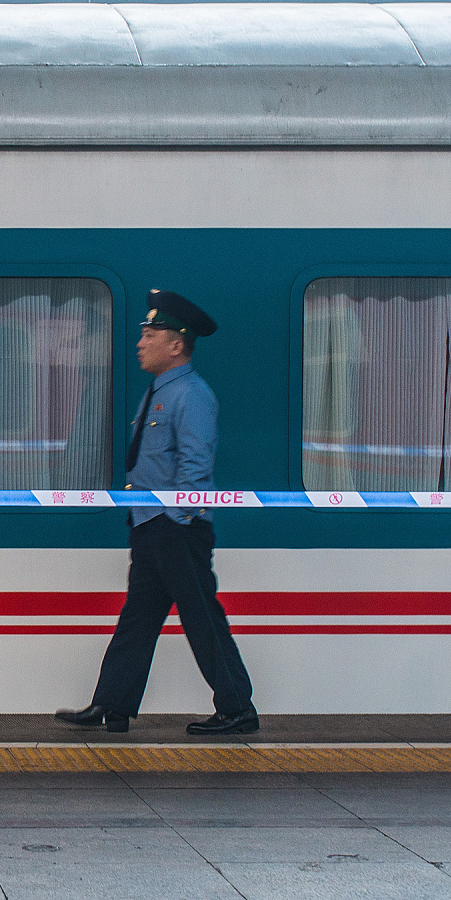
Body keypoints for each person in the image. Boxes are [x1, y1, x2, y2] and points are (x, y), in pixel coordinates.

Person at [57, 289, 260, 736]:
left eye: (151, 334)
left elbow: (195, 465)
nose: (140, 342)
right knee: (139, 617)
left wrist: (179, 520)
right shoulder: (160, 391)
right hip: (150, 525)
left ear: (176, 344)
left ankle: (237, 708)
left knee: (201, 616)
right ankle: (112, 705)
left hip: (175, 527)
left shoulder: (192, 394)